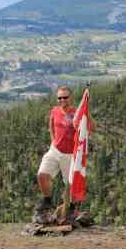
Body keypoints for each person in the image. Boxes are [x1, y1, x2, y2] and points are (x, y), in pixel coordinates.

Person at [35, 86, 95, 215]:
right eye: (59, 98)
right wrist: (53, 140)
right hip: (55, 150)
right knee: (42, 175)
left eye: (65, 97)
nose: (62, 100)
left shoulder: (77, 113)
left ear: (71, 98)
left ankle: (71, 210)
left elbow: (92, 128)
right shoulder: (55, 110)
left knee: (71, 186)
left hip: (69, 155)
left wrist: (87, 114)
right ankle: (47, 200)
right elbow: (51, 125)